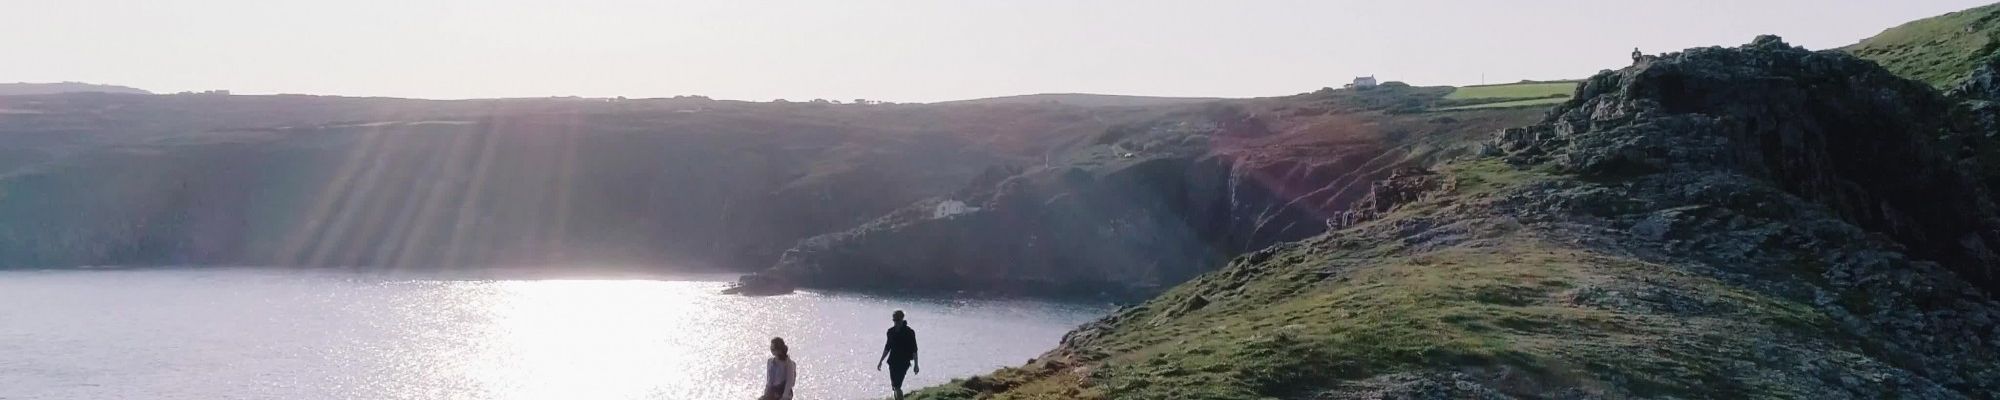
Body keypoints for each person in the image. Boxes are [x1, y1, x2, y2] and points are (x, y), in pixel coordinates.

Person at [876, 310, 920, 399]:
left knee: (897, 385)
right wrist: (880, 361)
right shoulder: (890, 332)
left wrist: (916, 365)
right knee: (894, 386)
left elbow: (914, 350)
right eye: (894, 320)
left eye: (898, 320)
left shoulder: (909, 332)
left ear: (902, 319)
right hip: (892, 362)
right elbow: (887, 347)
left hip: (904, 362)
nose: (896, 322)